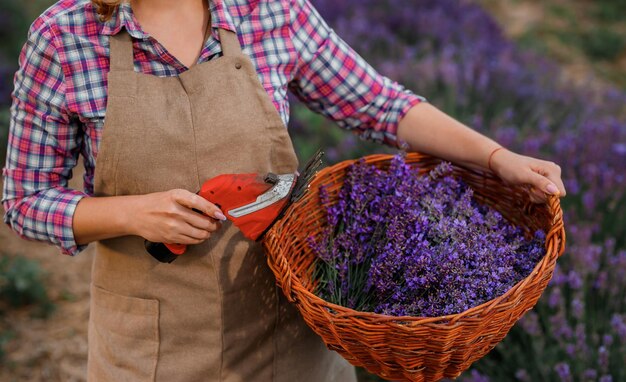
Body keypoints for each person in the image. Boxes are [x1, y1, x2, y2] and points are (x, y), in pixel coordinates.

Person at [2, 0, 566, 380]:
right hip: (150, 346)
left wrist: (497, 158)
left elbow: (380, 103)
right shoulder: (64, 37)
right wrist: (132, 214)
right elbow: (24, 201)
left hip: (285, 332)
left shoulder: (271, 11)